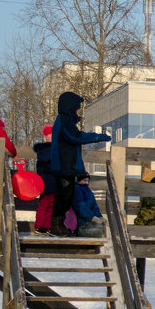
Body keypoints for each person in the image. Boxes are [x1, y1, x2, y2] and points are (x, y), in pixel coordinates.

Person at [50, 91, 111, 236]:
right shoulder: (64, 121)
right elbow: (75, 137)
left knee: (68, 195)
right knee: (65, 195)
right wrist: (98, 136)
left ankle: (61, 225)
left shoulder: (66, 121)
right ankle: (56, 226)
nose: (78, 111)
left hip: (67, 166)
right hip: (63, 166)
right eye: (77, 108)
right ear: (71, 107)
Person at [32, 125, 56, 235]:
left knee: (43, 205)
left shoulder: (41, 151)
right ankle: (48, 226)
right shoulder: (56, 150)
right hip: (54, 182)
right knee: (51, 206)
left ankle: (39, 225)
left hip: (43, 183)